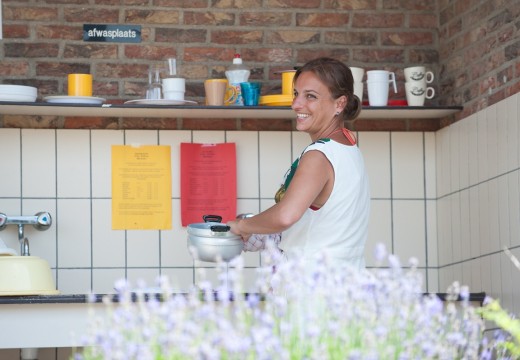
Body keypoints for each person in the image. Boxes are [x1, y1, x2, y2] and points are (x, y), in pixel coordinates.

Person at [227, 57, 370, 269]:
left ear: (339, 103)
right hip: (343, 284)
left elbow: (286, 215)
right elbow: (318, 226)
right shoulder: (349, 150)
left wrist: (241, 226)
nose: (296, 104)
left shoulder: (319, 155)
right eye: (296, 94)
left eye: (310, 96)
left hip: (312, 287)